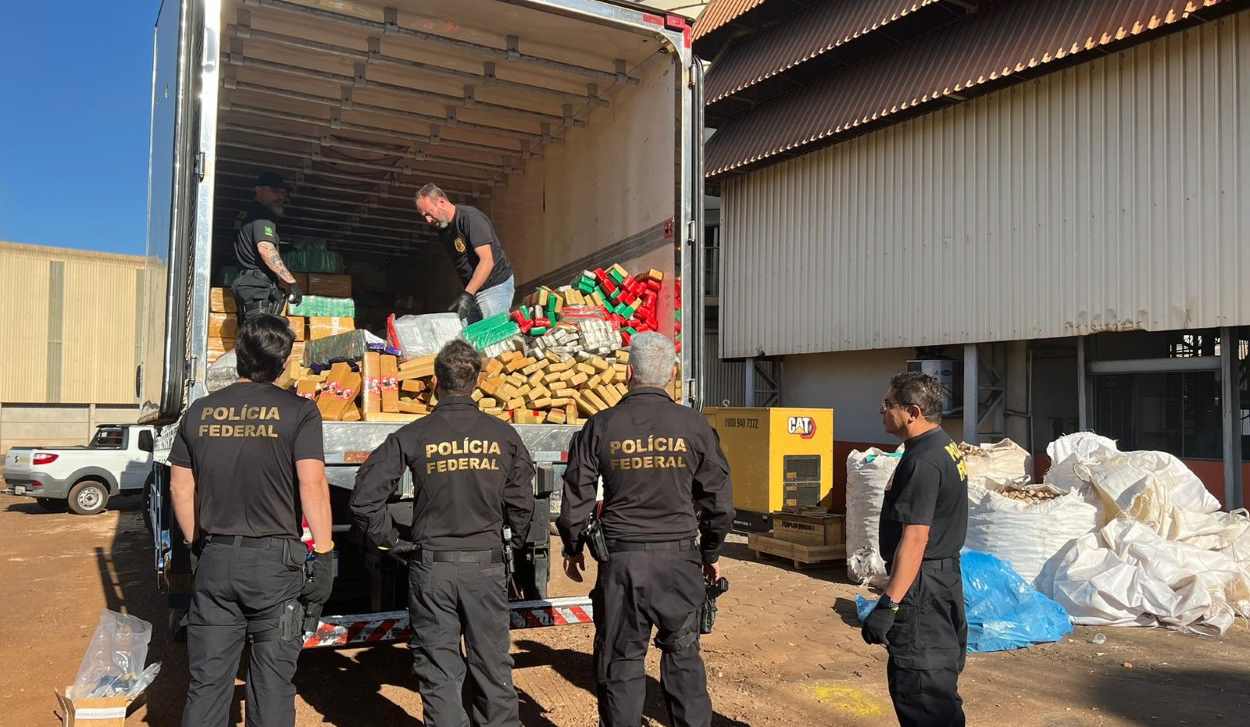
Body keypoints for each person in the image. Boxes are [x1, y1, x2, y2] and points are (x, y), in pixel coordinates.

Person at [349, 339, 535, 727]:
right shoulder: (503, 436)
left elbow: (365, 498)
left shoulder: (413, 434)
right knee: (493, 667)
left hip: (432, 568)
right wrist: (512, 544)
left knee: (439, 672)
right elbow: (522, 504)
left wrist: (391, 542)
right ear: (477, 381)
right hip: (485, 567)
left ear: (436, 381)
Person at [557, 332, 734, 727]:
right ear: (672, 374)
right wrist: (710, 554)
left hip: (623, 566)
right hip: (680, 565)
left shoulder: (600, 426)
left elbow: (576, 497)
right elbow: (719, 502)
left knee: (620, 661)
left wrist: (572, 547)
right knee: (684, 659)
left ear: (627, 373)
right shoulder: (695, 426)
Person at [170, 314, 335, 727]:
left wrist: (195, 544)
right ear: (282, 365)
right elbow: (312, 484)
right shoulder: (299, 412)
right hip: (275, 569)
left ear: (239, 358)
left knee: (207, 684)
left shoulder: (198, 413)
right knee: (273, 683)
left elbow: (179, 488)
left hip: (216, 558)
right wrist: (326, 553)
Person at [861, 371, 969, 727]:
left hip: (923, 587)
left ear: (912, 411)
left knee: (922, 690)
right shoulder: (943, 446)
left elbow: (916, 537)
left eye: (887, 405)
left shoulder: (922, 461)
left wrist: (889, 603)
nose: (881, 411)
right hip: (943, 579)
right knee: (937, 685)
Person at [415, 183, 516, 324]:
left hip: (494, 287)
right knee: (469, 339)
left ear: (441, 202)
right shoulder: (443, 229)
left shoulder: (470, 218)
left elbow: (487, 261)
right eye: (423, 216)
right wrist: (468, 293)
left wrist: (467, 295)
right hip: (474, 290)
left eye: (428, 213)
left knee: (492, 339)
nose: (427, 220)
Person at [232, 171, 303, 323]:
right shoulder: (262, 216)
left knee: (256, 336)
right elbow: (265, 248)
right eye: (275, 191)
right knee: (261, 338)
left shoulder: (248, 214)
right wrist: (291, 282)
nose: (281, 197)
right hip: (256, 287)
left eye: (283, 193)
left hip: (251, 285)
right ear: (258, 190)